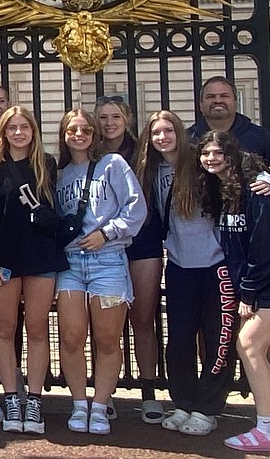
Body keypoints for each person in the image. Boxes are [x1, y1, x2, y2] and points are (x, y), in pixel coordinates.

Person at [196, 130, 270, 452]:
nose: (211, 158)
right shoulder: (223, 189)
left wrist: (248, 293)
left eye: (217, 153)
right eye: (206, 153)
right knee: (254, 347)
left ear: (231, 154)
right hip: (268, 279)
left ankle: (265, 428)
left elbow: (264, 244)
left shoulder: (255, 188)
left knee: (249, 345)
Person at [136, 111, 251, 437]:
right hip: (179, 265)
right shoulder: (150, 169)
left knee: (218, 339)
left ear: (179, 133)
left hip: (215, 265)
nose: (162, 137)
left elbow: (240, 171)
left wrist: (268, 180)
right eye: (156, 132)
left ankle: (208, 407)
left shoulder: (200, 161)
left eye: (168, 130)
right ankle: (184, 402)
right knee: (180, 339)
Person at [0, 105, 65, 434]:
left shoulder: (47, 164)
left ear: (33, 131)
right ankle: (11, 396)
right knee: (5, 331)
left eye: (24, 127)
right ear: (4, 132)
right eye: (13, 128)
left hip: (41, 256)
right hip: (5, 261)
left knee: (38, 330)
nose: (19, 133)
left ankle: (34, 400)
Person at [54, 107, 146, 436]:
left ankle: (101, 403)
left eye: (86, 130)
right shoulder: (59, 173)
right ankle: (79, 402)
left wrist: (106, 233)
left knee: (107, 339)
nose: (79, 135)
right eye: (72, 130)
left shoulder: (113, 165)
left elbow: (136, 207)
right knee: (72, 336)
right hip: (70, 264)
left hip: (108, 258)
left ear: (94, 135)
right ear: (64, 136)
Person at [96, 96, 158, 423]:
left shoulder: (144, 152)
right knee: (105, 325)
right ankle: (106, 392)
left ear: (127, 118)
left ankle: (149, 390)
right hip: (103, 248)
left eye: (115, 116)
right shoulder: (90, 152)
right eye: (103, 117)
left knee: (143, 318)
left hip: (142, 243)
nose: (109, 123)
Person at [188, 76, 270, 192]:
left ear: (236, 102)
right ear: (200, 104)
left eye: (224, 96)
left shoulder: (259, 136)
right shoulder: (188, 139)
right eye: (210, 96)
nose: (217, 100)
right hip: (201, 207)